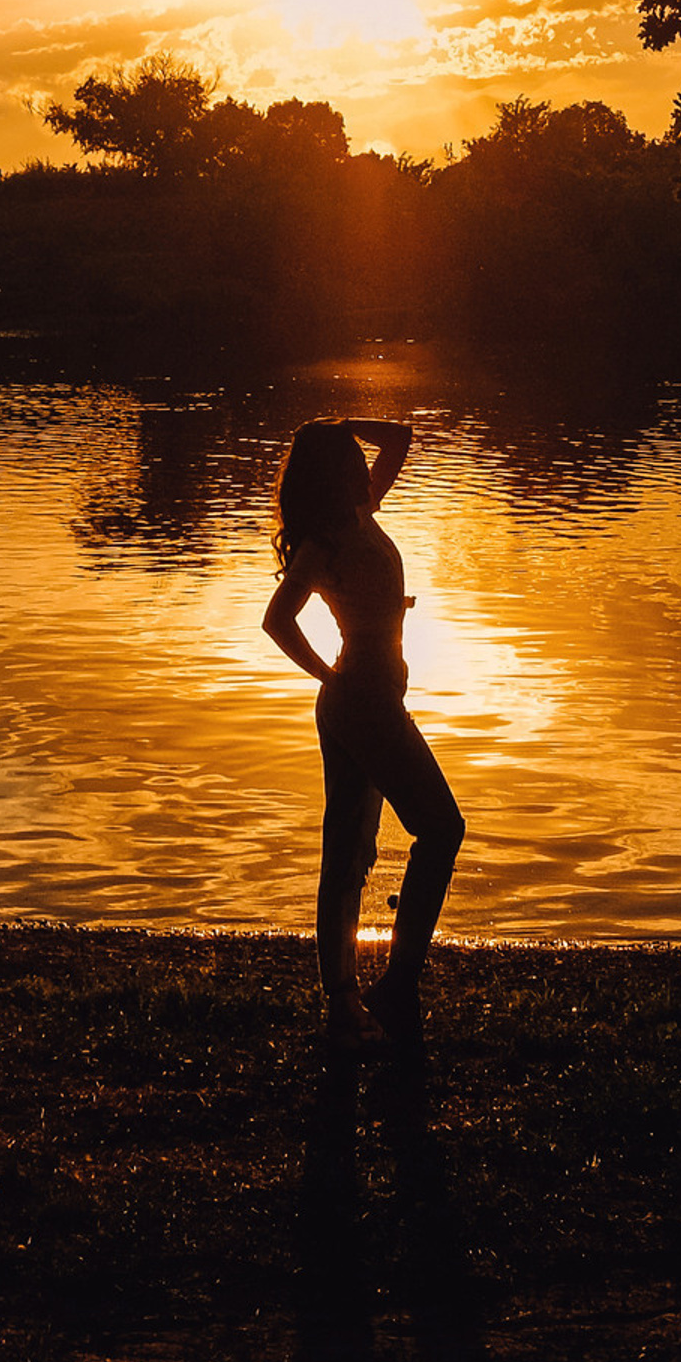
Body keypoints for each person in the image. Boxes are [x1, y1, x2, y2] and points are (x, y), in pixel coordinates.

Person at [262, 416, 464, 1047]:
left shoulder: (361, 511)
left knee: (355, 848)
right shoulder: (323, 541)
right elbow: (278, 620)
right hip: (361, 701)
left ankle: (362, 997)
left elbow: (401, 437)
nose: (359, 455)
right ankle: (382, 989)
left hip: (374, 696)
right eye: (348, 451)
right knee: (434, 828)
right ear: (335, 468)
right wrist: (330, 676)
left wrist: (344, 423)